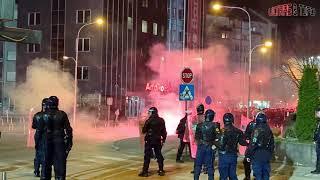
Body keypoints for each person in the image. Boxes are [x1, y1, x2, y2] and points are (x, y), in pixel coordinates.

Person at [42, 96, 73, 180]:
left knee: (46, 166)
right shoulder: (62, 114)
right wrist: (69, 143)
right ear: (57, 103)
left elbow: (38, 128)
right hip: (59, 142)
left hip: (47, 141)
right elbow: (69, 129)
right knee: (60, 167)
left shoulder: (43, 114)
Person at [138, 107, 167, 177]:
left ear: (151, 112)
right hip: (157, 140)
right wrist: (164, 139)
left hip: (149, 140)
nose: (148, 114)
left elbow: (144, 130)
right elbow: (164, 131)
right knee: (159, 155)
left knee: (147, 156)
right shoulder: (161, 120)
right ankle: (161, 170)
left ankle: (145, 171)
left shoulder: (149, 120)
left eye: (149, 112)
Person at [218, 113, 247, 180]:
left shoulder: (222, 131)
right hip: (233, 155)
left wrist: (214, 142)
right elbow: (242, 143)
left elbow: (221, 146)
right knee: (232, 174)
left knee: (223, 176)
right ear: (232, 120)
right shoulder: (238, 131)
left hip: (223, 156)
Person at [247, 113, 274, 180]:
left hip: (257, 155)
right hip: (266, 155)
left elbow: (253, 143)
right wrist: (270, 154)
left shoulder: (256, 130)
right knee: (266, 174)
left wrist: (248, 154)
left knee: (258, 175)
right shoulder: (269, 130)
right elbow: (272, 144)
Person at [194, 109, 220, 180]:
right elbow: (218, 138)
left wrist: (200, 144)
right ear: (212, 116)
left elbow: (196, 138)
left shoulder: (199, 125)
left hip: (201, 147)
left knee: (198, 165)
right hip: (209, 147)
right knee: (210, 166)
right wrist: (214, 146)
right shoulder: (215, 125)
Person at [31, 98, 49, 177]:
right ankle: (44, 172)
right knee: (46, 154)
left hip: (38, 135)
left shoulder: (37, 115)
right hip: (47, 136)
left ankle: (36, 170)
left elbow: (33, 126)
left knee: (38, 153)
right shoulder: (50, 115)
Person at [191, 104, 206, 174]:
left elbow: (193, 129)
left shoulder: (194, 118)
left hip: (197, 139)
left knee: (197, 155)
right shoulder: (206, 117)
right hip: (205, 139)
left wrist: (194, 139)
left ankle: (196, 169)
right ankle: (205, 168)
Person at [311, 107, 320, 174]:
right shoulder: (318, 121)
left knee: (319, 156)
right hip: (318, 141)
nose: (316, 114)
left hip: (319, 142)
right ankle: (317, 169)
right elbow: (317, 132)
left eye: (317, 112)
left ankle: (318, 170)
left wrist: (317, 140)